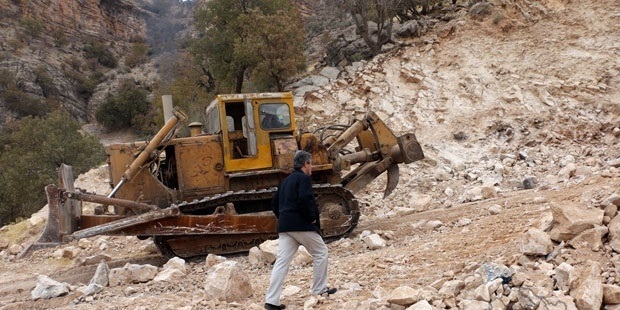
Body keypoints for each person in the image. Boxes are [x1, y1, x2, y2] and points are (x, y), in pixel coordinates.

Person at [264, 150, 337, 310]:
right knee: (321, 252)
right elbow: (305, 199)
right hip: (301, 225)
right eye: (311, 164)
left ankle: (271, 300)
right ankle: (319, 289)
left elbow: (274, 204)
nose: (311, 167)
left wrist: (284, 217)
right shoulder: (303, 179)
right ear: (306, 164)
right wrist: (311, 217)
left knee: (282, 263)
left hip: (285, 227)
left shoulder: (285, 181)